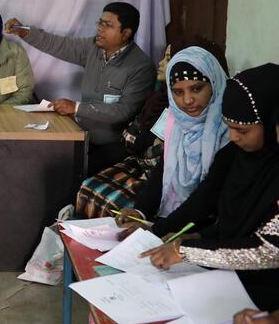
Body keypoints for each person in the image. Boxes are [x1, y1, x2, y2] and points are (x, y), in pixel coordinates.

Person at [130, 64, 279, 312]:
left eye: (242, 130)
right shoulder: (237, 156)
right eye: (229, 127)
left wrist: (188, 250)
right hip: (228, 274)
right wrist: (201, 237)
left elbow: (269, 250)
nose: (232, 137)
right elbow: (234, 223)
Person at [76, 43, 229, 218]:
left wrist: (159, 228)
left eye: (196, 89)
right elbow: (163, 169)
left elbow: (208, 197)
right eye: (178, 92)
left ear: (214, 82)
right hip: (174, 216)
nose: (188, 100)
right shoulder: (178, 122)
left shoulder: (227, 131)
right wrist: (139, 212)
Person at [6, 2, 156, 175]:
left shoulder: (141, 67)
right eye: (100, 23)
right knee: (44, 161)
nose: (100, 29)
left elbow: (123, 111)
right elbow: (59, 44)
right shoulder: (93, 49)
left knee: (69, 174)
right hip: (83, 136)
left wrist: (76, 107)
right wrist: (25, 32)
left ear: (126, 33)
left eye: (107, 25)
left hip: (116, 147)